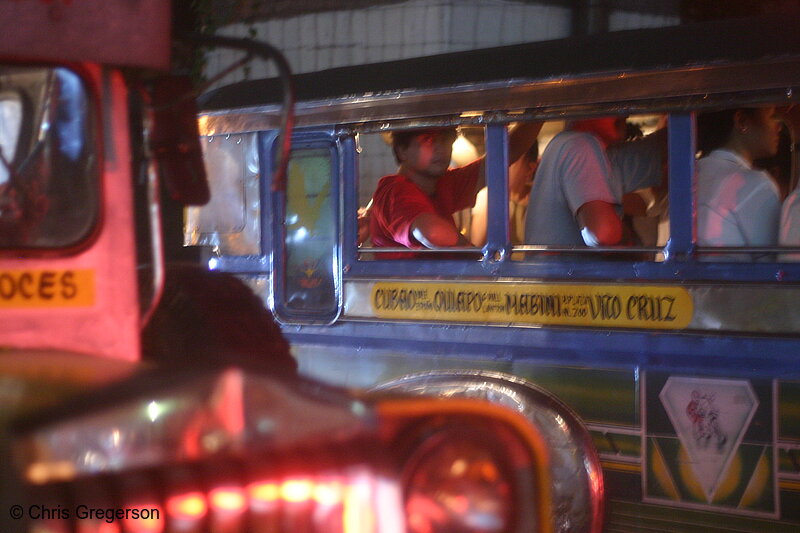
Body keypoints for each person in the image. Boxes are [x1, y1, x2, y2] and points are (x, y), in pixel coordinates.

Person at [368, 122, 541, 257]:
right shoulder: (395, 190)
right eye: (427, 140)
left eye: (445, 138)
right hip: (408, 299)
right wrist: (477, 257)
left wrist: (538, 109)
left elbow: (503, 157)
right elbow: (431, 232)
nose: (440, 147)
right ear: (402, 151)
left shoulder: (443, 182)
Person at [523, 117, 626, 248]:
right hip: (570, 268)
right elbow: (603, 233)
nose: (624, 116)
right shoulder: (580, 145)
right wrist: (631, 245)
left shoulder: (563, 144)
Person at [696, 106, 782, 260]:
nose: (779, 126)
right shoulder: (756, 185)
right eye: (772, 116)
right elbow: (773, 269)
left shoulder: (693, 175)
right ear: (742, 121)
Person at [470, 142, 538, 246]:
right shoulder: (489, 198)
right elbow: (477, 248)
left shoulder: (540, 200)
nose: (499, 166)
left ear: (530, 169)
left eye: (510, 160)